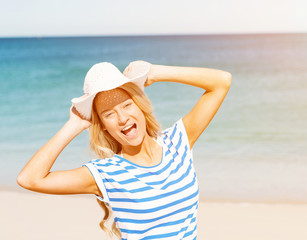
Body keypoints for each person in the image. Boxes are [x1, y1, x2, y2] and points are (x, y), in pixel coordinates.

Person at [17, 60, 231, 239]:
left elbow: (221, 82)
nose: (122, 118)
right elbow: (30, 179)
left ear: (140, 105)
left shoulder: (177, 143)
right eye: (109, 114)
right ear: (103, 125)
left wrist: (155, 73)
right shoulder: (106, 173)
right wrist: (74, 125)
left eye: (127, 105)